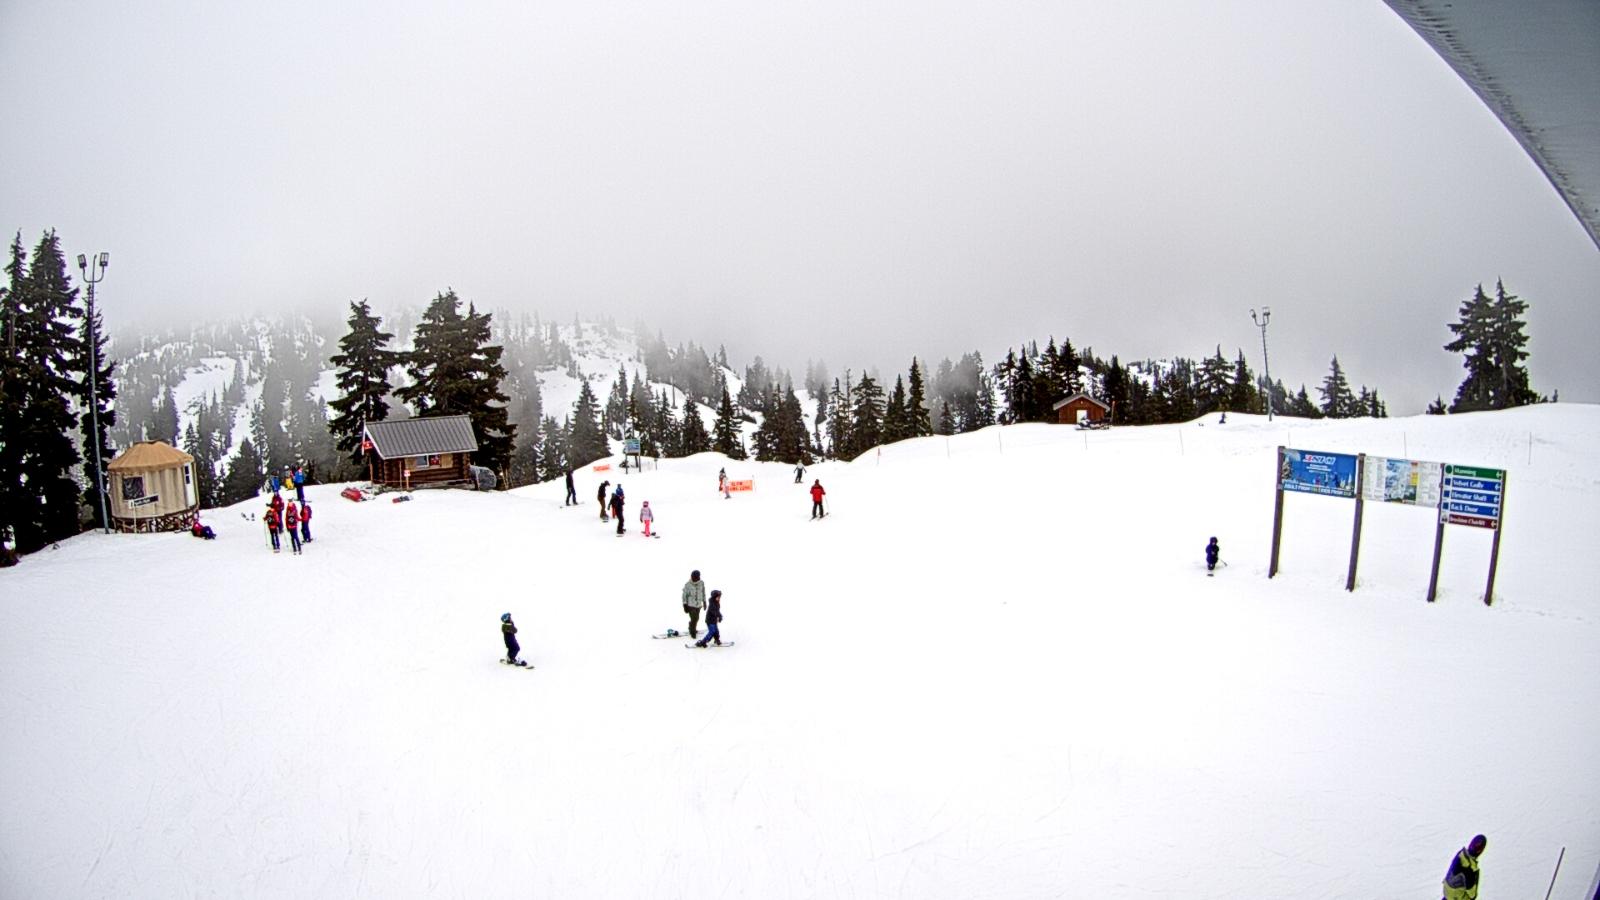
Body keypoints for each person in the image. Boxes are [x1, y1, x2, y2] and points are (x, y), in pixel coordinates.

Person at [1442, 834, 1486, 900]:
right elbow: (1472, 895)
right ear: (1480, 851)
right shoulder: (1471, 870)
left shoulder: (1460, 854)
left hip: (1447, 892)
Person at [682, 570, 707, 639]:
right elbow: (684, 596)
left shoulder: (701, 583)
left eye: (696, 577)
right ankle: (692, 631)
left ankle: (691, 626)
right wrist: (684, 605)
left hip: (698, 605)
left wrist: (704, 602)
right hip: (690, 605)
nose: (694, 578)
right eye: (693, 577)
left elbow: (703, 592)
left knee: (696, 618)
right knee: (694, 618)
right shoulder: (687, 585)